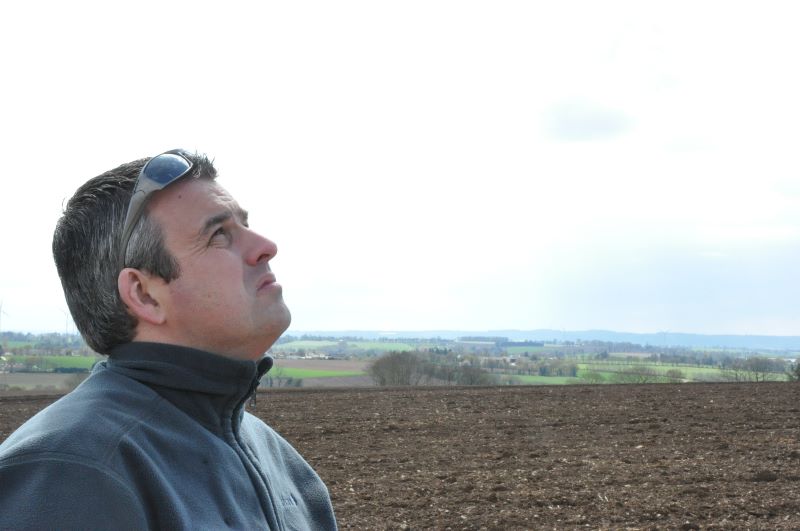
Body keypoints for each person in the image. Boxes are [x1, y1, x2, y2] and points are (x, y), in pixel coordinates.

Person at [0, 149, 337, 530]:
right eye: (219, 235)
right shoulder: (70, 473)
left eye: (245, 225)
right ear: (144, 294)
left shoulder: (286, 467)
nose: (266, 246)